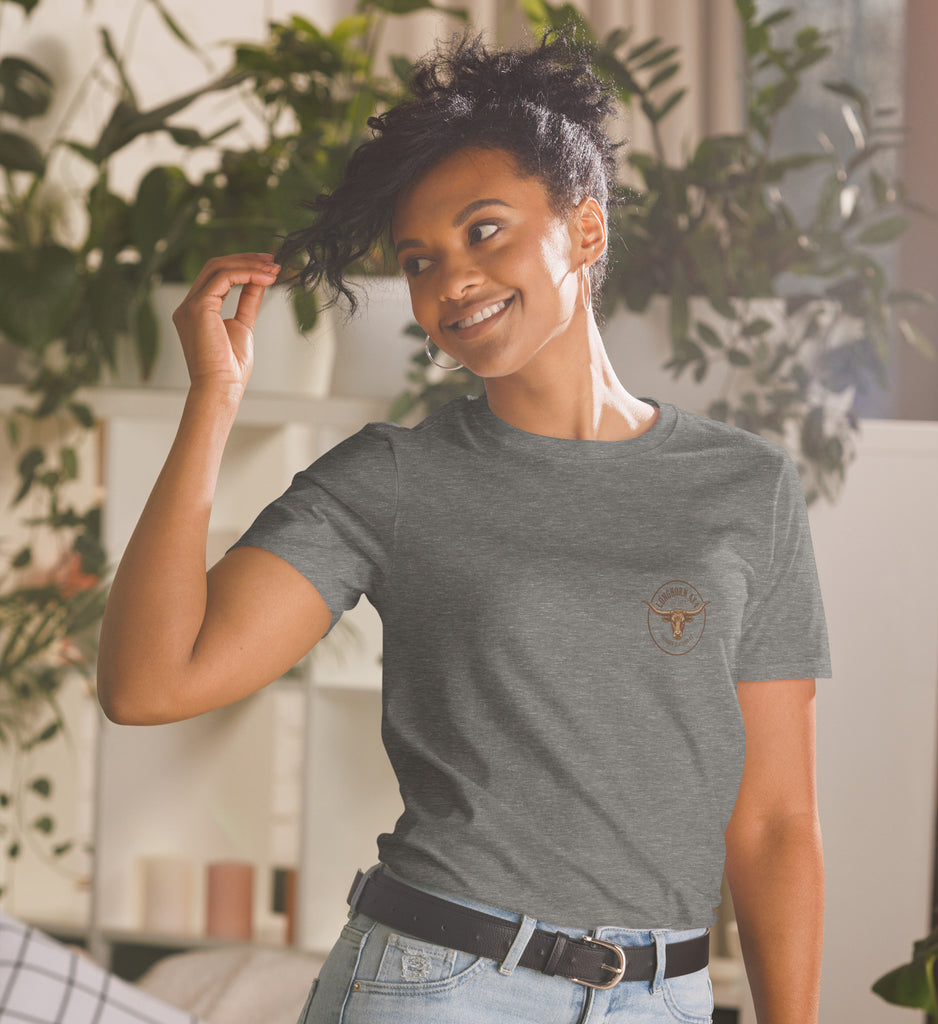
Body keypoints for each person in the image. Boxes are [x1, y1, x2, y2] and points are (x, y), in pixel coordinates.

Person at [97, 28, 831, 1024]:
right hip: (440, 985)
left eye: (483, 231)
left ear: (585, 228)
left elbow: (778, 820)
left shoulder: (745, 486)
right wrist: (214, 400)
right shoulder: (392, 480)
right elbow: (149, 683)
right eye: (419, 261)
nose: (451, 282)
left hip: (667, 998)